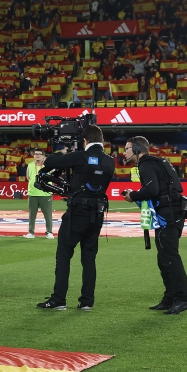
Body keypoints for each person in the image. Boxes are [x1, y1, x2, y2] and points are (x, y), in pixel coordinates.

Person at [37, 125, 115, 311]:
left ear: (85, 141)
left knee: (64, 254)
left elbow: (50, 162)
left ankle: (59, 299)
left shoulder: (80, 157)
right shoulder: (110, 161)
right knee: (89, 258)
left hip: (78, 212)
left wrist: (63, 152)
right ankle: (87, 301)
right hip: (97, 214)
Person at [123, 136, 187, 315]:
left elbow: (152, 190)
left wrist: (133, 195)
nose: (124, 152)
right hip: (174, 212)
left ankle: (183, 298)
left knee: (169, 256)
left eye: (127, 148)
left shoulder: (146, 164)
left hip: (167, 215)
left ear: (137, 149)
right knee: (164, 258)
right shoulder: (159, 161)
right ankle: (170, 298)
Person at [25, 149, 54, 238]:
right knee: (32, 215)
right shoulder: (30, 165)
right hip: (33, 193)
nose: (37, 155)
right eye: (36, 154)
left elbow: (53, 176)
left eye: (39, 154)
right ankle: (31, 232)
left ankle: (49, 232)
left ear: (43, 156)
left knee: (48, 215)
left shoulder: (48, 166)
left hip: (45, 193)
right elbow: (28, 177)